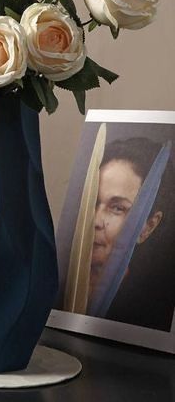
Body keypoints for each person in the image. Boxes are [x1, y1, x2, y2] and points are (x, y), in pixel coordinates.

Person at [88, 137, 175, 331]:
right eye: (92, 202)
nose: (94, 220)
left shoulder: (149, 315)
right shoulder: (54, 287)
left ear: (148, 226)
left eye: (117, 208)